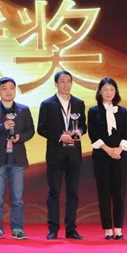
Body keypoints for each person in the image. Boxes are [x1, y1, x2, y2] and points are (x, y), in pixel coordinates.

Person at [0, 77, 35, 240]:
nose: (9, 91)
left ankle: (17, 228)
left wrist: (20, 138)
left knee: (17, 197)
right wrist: (2, 127)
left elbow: (30, 131)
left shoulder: (24, 110)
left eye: (12, 87)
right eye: (4, 88)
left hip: (17, 159)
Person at [37, 71, 87, 240]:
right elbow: (41, 128)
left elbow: (83, 126)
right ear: (56, 84)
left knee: (73, 193)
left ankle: (71, 229)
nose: (66, 85)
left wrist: (79, 131)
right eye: (62, 81)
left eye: (69, 81)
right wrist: (59, 136)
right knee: (54, 193)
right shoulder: (47, 104)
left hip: (73, 154)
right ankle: (53, 229)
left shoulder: (79, 103)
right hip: (55, 154)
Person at [88, 77, 127, 240]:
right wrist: (108, 150)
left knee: (119, 193)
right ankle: (107, 229)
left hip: (120, 155)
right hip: (101, 156)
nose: (108, 92)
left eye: (112, 89)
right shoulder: (93, 111)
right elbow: (93, 134)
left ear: (116, 91)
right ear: (100, 92)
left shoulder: (122, 111)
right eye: (105, 89)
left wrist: (118, 150)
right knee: (104, 192)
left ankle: (118, 229)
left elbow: (126, 133)